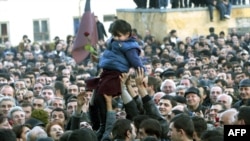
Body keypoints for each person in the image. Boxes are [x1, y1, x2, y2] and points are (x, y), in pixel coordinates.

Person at [86, 19, 145, 140]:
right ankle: (103, 124)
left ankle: (105, 124)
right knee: (97, 97)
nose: (116, 38)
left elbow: (136, 62)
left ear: (128, 33)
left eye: (119, 35)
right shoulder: (112, 43)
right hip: (107, 72)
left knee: (101, 97)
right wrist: (98, 60)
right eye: (114, 35)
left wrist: (143, 75)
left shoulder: (130, 46)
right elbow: (109, 57)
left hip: (116, 74)